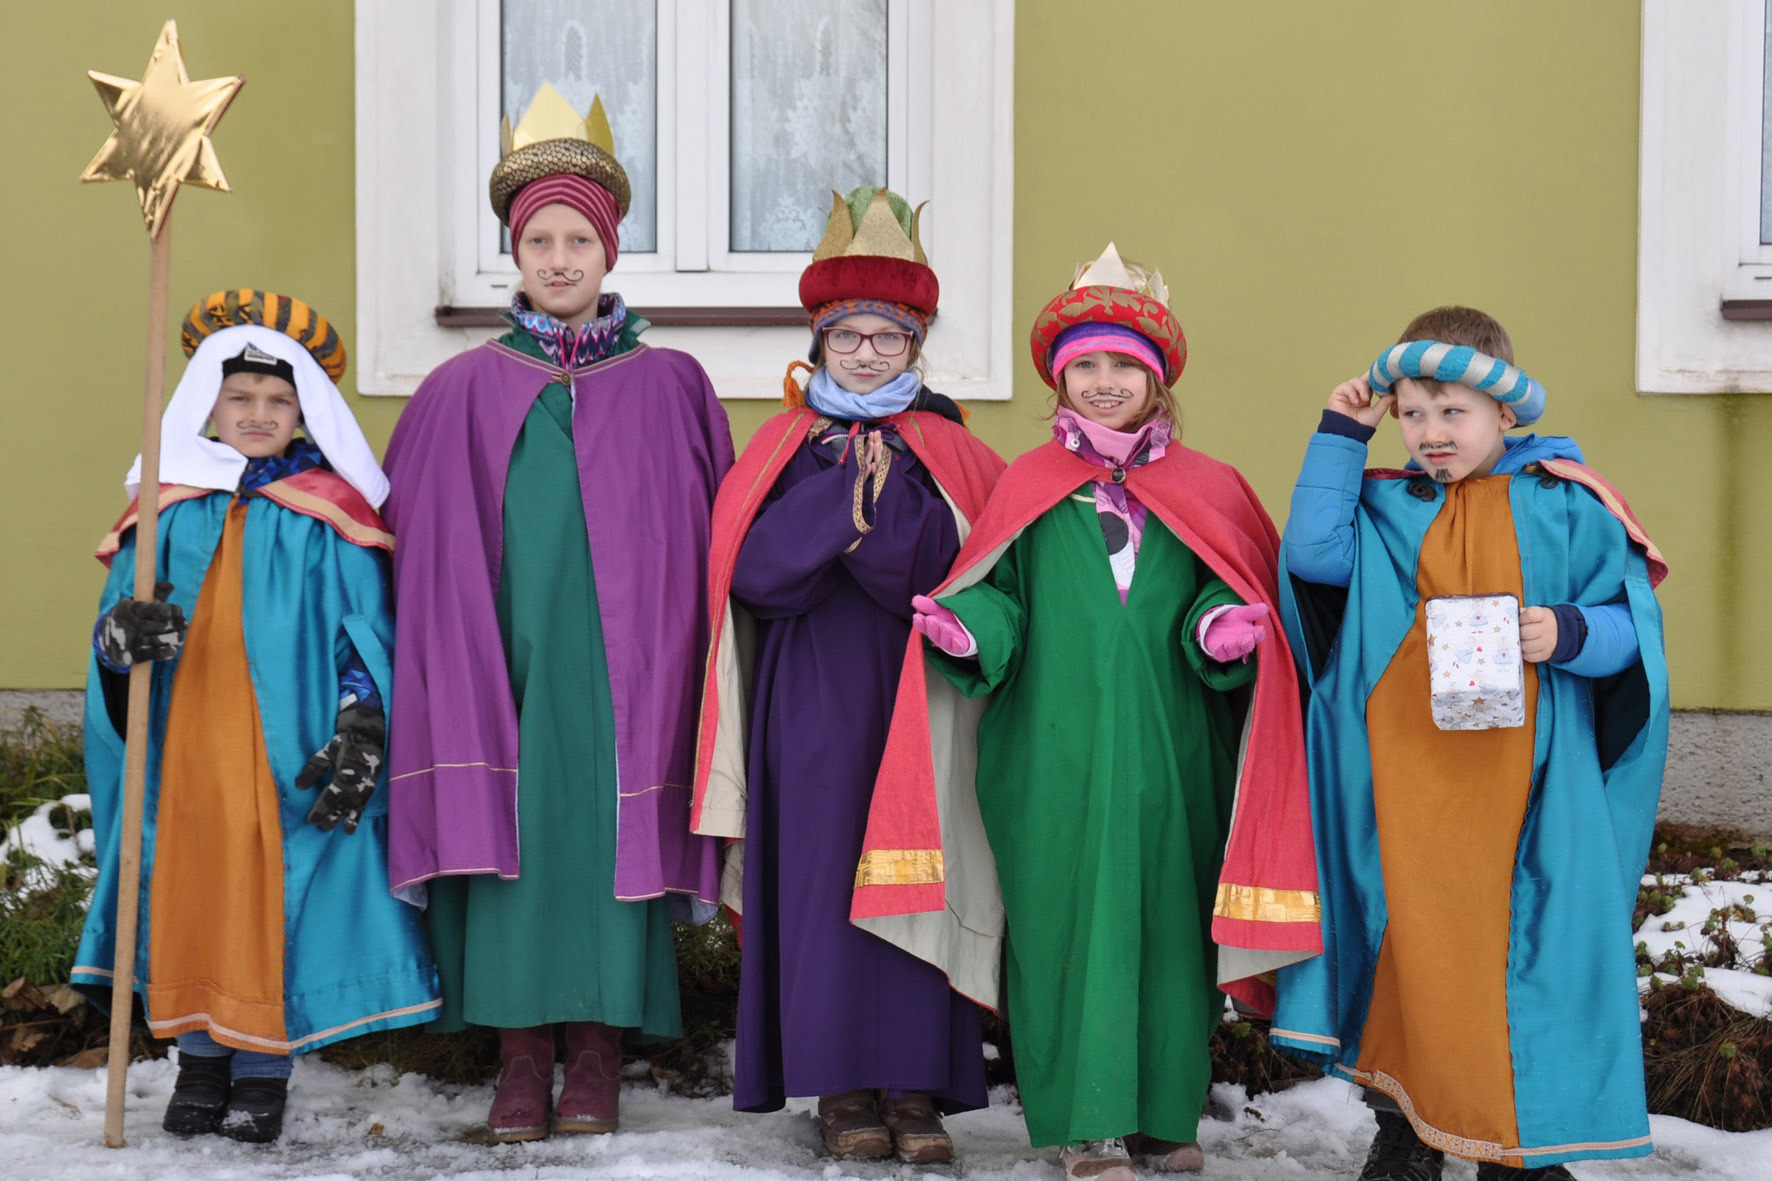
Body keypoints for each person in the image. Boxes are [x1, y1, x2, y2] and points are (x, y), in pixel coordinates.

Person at [904, 245, 1320, 1180]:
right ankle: (1082, 1125)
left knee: (1172, 927)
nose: (1103, 381)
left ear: (1157, 378)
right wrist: (968, 626)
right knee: (1061, 927)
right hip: (1051, 754)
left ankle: (1165, 1117)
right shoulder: (1026, 484)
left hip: (1175, 754)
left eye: (1123, 364)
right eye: (1084, 364)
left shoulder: (1211, 487)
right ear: (1059, 378)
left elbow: (1227, 587)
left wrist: (1221, 628)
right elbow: (1001, 594)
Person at [380, 84, 731, 1143]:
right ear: (514, 252)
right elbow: (409, 543)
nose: (560, 258)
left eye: (580, 239)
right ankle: (521, 1055)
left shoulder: (671, 384)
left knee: (611, 834)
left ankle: (598, 1049)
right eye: (540, 240)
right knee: (516, 836)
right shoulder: (458, 390)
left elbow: (714, 532)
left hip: (633, 671)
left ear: (610, 250)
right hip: (502, 666)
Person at [1267, 306, 1670, 1181]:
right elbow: (1312, 554)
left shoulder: (1568, 501)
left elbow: (1632, 627)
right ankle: (1406, 1131)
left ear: (1505, 411)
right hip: (1407, 774)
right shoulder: (1387, 505)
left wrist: (1568, 631)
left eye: (1454, 411)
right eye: (1413, 413)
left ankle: (1515, 1147)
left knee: (1522, 951)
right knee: (1411, 946)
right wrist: (1341, 433)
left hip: (1530, 781)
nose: (1431, 432)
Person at [72, 290, 440, 1144]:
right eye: (239, 397)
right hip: (184, 740)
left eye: (279, 399)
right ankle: (199, 1063)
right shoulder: (166, 509)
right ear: (208, 403)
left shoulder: (330, 514)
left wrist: (362, 720)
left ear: (306, 412)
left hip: (285, 742)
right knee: (188, 885)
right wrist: (119, 641)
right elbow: (115, 632)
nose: (259, 413)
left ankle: (262, 1069)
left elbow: (364, 627)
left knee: (271, 888)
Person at [691, 187, 1003, 1163]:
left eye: (888, 337)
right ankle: (841, 1087)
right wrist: (844, 506)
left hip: (921, 701)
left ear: (917, 343)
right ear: (818, 340)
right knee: (823, 879)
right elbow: (756, 575)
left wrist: (863, 527)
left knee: (919, 873)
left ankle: (916, 1089)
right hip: (811, 698)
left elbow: (944, 575)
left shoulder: (953, 451)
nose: (867, 354)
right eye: (847, 336)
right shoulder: (783, 448)